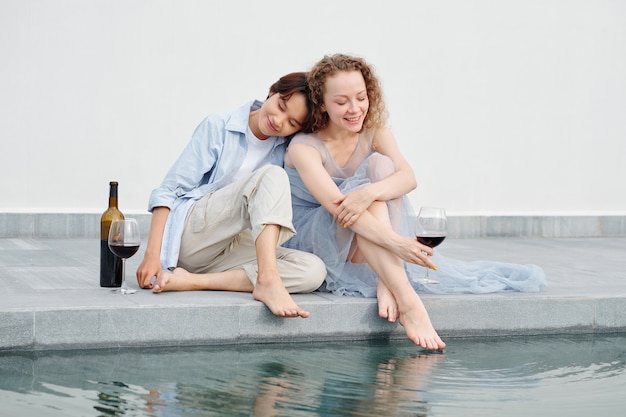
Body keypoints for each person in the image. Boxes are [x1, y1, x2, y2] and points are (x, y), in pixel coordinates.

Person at [283, 54, 546, 349]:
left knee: (381, 169)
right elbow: (339, 208)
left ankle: (387, 281)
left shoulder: (375, 133)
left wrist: (368, 192)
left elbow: (408, 178)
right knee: (367, 193)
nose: (354, 109)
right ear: (321, 103)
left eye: (360, 97)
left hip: (366, 237)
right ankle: (409, 302)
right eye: (341, 102)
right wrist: (399, 243)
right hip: (318, 239)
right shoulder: (304, 147)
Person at [136, 72, 326, 319]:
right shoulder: (219, 126)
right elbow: (169, 191)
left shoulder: (284, 150)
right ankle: (267, 280)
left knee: (313, 271)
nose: (279, 122)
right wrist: (152, 254)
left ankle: (192, 281)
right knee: (272, 176)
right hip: (193, 235)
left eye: (292, 123)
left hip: (229, 247)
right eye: (280, 106)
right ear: (271, 92)